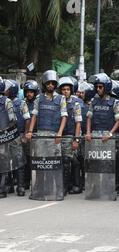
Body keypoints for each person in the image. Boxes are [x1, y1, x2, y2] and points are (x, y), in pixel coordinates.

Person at [25, 70, 68, 201]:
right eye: (48, 83)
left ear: (55, 85)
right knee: (39, 164)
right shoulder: (39, 99)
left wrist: (60, 133)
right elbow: (34, 116)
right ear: (44, 84)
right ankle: (38, 190)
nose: (50, 85)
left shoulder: (61, 99)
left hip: (54, 135)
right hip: (40, 135)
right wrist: (30, 131)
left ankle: (51, 190)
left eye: (53, 83)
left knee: (52, 164)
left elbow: (64, 117)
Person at [85, 73, 119, 200]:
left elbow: (118, 120)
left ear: (106, 87)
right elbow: (89, 118)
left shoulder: (114, 102)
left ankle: (108, 189)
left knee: (107, 164)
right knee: (94, 163)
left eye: (100, 87)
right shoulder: (93, 101)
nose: (98, 89)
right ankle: (94, 189)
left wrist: (110, 134)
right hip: (95, 135)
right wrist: (89, 132)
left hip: (108, 137)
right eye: (97, 87)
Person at [58, 77, 82, 195]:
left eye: (67, 89)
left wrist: (76, 140)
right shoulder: (57, 101)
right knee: (61, 161)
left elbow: (78, 122)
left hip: (70, 135)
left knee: (69, 161)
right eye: (63, 89)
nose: (65, 91)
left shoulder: (76, 103)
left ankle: (68, 187)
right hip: (58, 136)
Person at [5, 79, 30, 196]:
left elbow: (27, 119)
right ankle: (9, 185)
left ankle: (20, 186)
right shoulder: (4, 101)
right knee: (6, 161)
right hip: (5, 136)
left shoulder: (21, 103)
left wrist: (25, 134)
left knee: (19, 161)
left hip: (17, 135)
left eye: (7, 89)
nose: (5, 91)